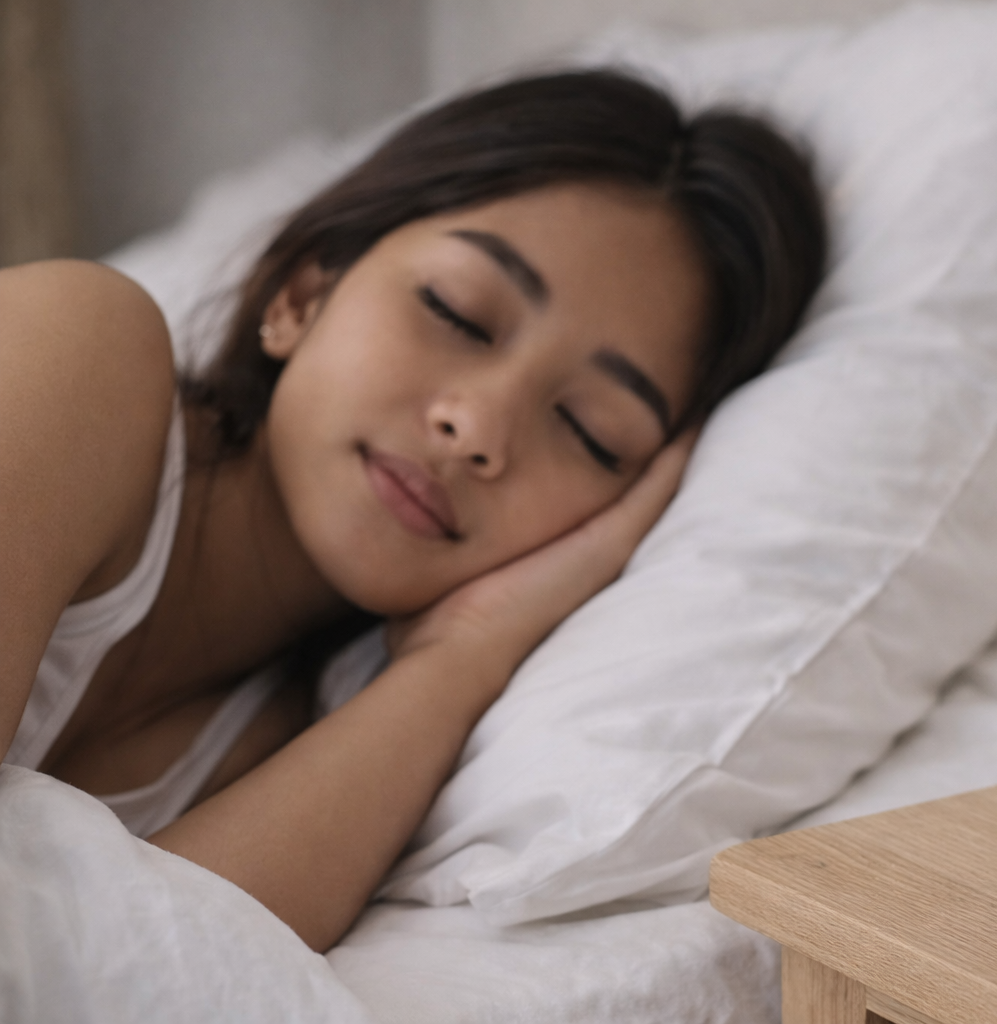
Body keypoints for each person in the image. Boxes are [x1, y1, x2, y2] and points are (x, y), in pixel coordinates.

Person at [0, 70, 826, 952]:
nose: (475, 428)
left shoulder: (286, 745)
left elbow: (142, 980)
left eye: (591, 433)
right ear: (301, 295)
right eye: (457, 313)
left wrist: (463, 655)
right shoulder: (77, 352)